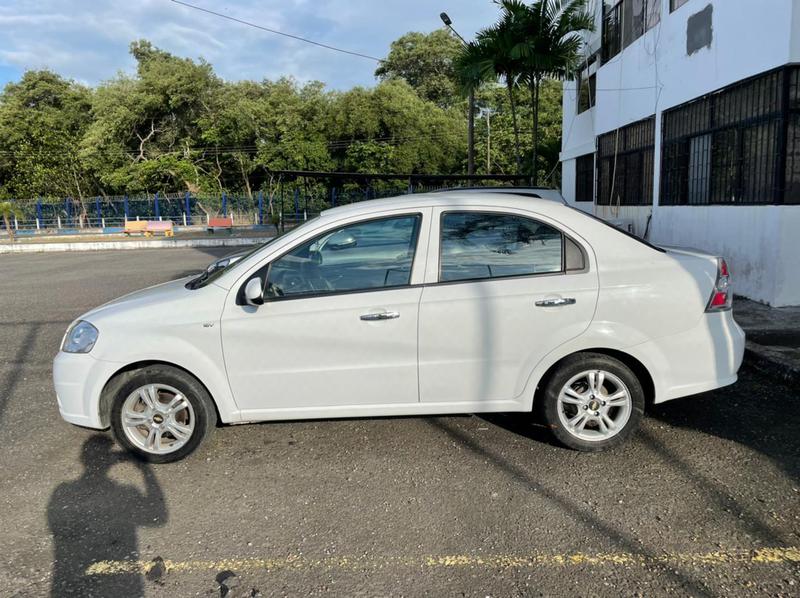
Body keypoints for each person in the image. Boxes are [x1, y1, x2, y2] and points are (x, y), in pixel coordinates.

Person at [48, 435, 167, 596]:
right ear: (111, 461)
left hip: (72, 584)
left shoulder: (62, 492)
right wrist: (145, 469)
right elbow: (158, 517)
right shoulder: (124, 494)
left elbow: (58, 528)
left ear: (83, 459)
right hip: (118, 589)